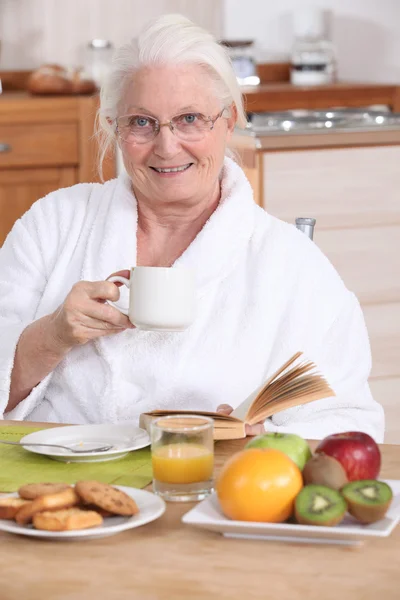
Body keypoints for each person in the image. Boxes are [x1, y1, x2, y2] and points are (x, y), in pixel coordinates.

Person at [0, 14, 384, 441]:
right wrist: (51, 337)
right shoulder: (52, 226)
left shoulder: (291, 265)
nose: (167, 147)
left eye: (190, 119)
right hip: (59, 491)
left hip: (208, 493)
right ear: (115, 128)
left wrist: (264, 440)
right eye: (142, 122)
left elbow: (349, 424)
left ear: (229, 120)